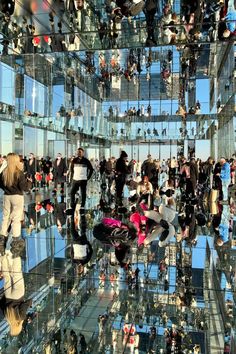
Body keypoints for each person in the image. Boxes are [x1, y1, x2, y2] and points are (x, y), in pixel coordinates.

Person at [0, 153, 31, 256]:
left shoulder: (4, 172)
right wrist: (29, 182)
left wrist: (7, 189)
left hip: (6, 196)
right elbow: (24, 188)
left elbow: (0, 184)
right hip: (17, 197)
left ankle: (2, 239)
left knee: (6, 218)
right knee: (16, 219)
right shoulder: (19, 173)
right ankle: (16, 241)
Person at [0, 254, 32, 336]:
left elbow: (25, 304)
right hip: (8, 295)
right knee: (7, 275)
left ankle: (16, 252)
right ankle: (3, 255)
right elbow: (2, 304)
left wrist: (30, 303)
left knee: (17, 273)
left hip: (18, 296)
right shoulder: (8, 317)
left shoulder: (21, 317)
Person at [69, 148, 94, 214]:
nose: (78, 153)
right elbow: (72, 169)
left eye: (80, 152)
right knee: (72, 192)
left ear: (83, 153)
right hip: (75, 179)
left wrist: (88, 177)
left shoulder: (86, 161)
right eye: (78, 152)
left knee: (83, 193)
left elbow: (91, 169)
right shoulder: (74, 160)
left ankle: (82, 206)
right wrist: (73, 176)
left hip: (83, 180)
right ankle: (72, 205)